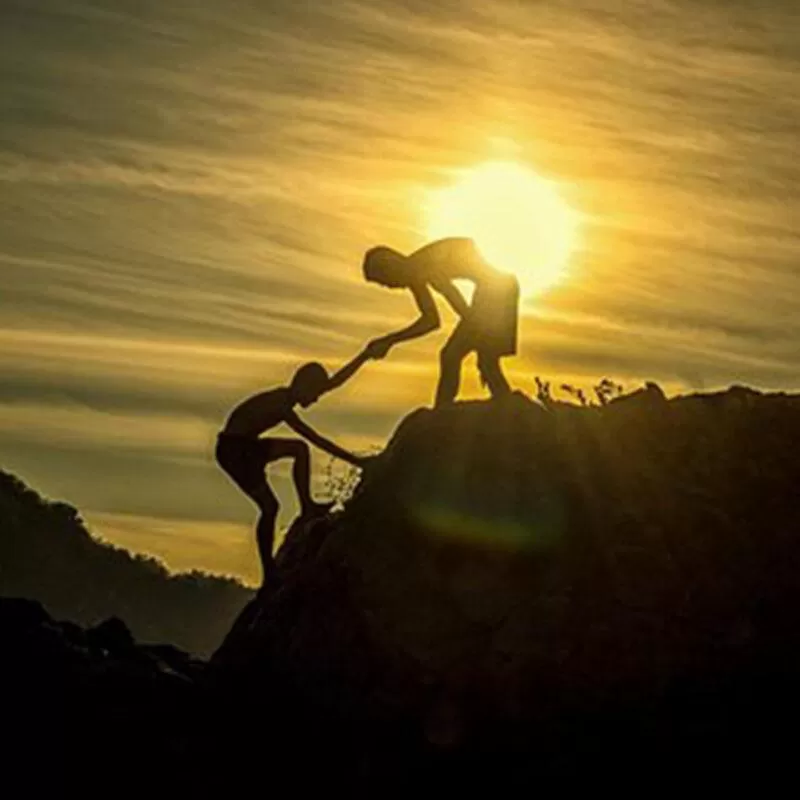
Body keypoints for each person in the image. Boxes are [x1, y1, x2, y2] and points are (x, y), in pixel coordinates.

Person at [216, 350, 370, 584]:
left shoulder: (289, 397)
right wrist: (357, 461)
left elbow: (333, 383)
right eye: (315, 394)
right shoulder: (281, 405)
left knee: (298, 451)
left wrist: (365, 355)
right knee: (270, 507)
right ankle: (269, 571)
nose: (316, 400)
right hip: (235, 451)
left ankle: (307, 506)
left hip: (247, 445)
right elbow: (315, 438)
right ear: (304, 386)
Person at [362, 237, 519, 406]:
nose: (390, 287)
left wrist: (475, 328)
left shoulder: (423, 265)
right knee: (481, 360)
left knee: (456, 356)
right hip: (495, 290)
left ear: (391, 266)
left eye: (385, 281)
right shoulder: (416, 274)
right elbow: (431, 321)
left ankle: (443, 410)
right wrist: (389, 340)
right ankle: (502, 405)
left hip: (498, 291)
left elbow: (453, 296)